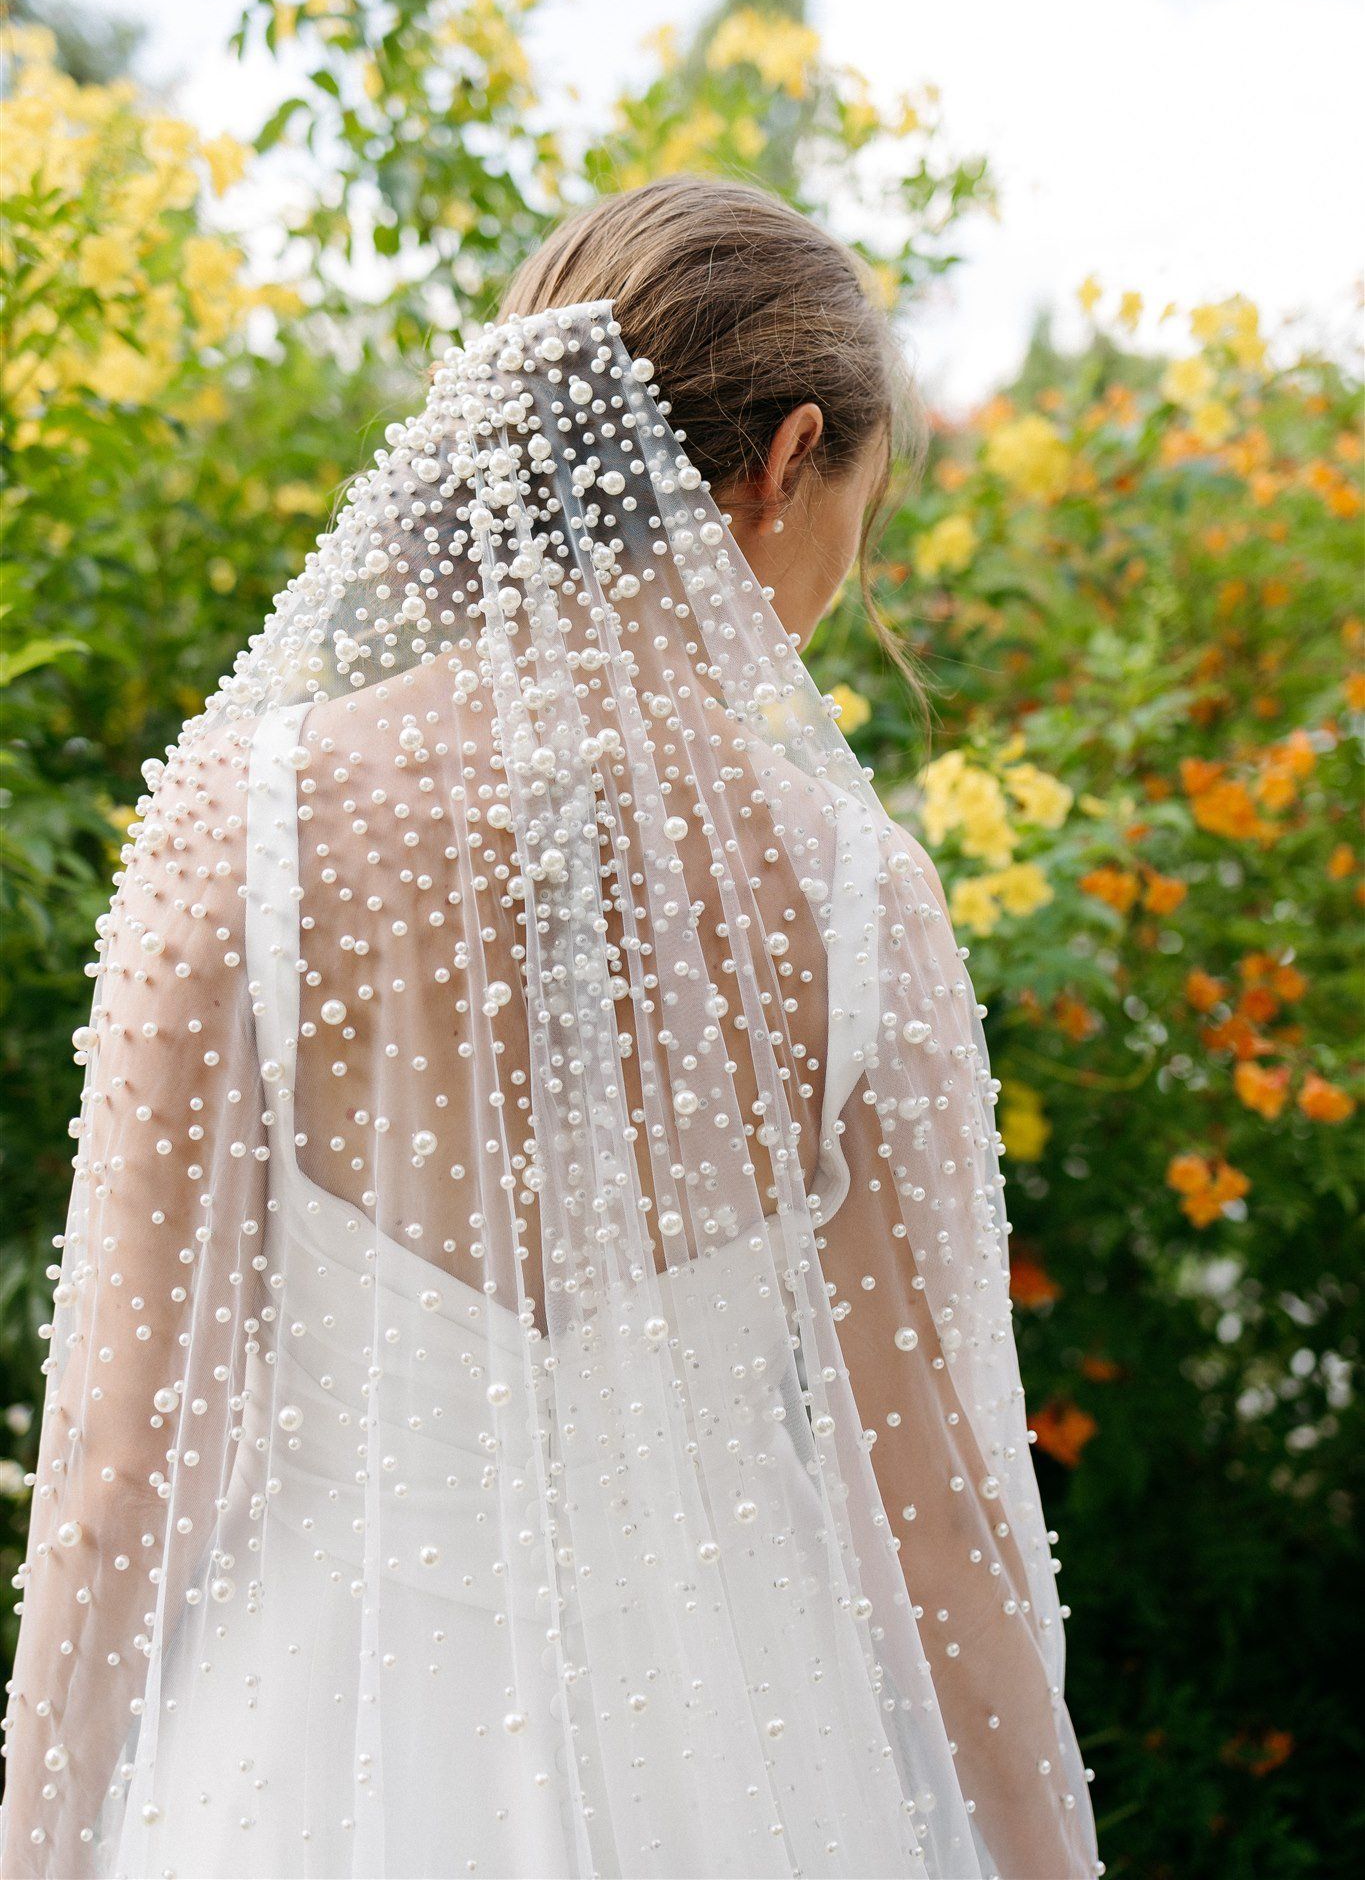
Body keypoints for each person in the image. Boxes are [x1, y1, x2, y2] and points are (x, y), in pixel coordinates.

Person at [0, 176, 1101, 1879]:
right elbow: (943, 1518)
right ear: (786, 461)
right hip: (747, 1757)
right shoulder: (857, 897)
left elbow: (119, 1479)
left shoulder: (247, 829)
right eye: (856, 517)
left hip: (307, 1757)